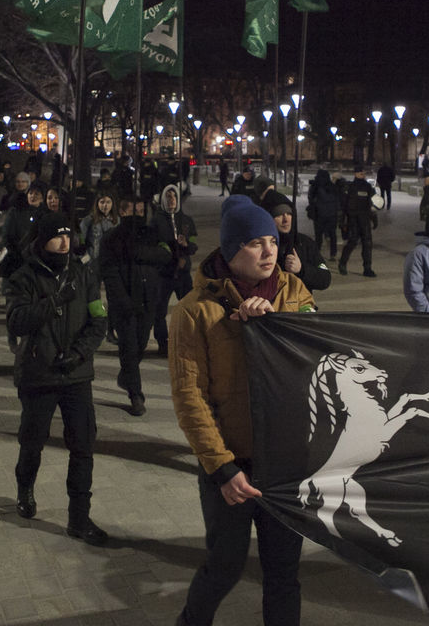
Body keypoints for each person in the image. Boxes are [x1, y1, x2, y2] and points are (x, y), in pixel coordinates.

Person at [169, 194, 316, 626]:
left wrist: (275, 326)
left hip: (285, 465)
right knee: (224, 568)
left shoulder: (293, 292)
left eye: (272, 239)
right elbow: (189, 396)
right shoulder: (194, 312)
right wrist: (221, 468)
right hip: (233, 467)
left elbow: (319, 354)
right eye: (255, 243)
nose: (270, 250)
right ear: (232, 252)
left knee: (284, 575)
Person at [4, 212, 109, 545]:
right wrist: (54, 302)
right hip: (39, 374)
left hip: (75, 374)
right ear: (42, 240)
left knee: (83, 446)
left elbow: (98, 321)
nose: (66, 242)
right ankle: (25, 486)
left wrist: (79, 353)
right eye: (58, 237)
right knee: (32, 441)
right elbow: (17, 321)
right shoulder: (23, 277)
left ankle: (79, 518)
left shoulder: (84, 274)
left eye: (69, 236)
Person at [101, 195, 170, 414]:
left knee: (140, 345)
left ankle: (126, 376)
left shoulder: (150, 234)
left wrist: (140, 254)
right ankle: (135, 394)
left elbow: (165, 254)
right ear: (122, 212)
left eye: (141, 212)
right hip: (126, 304)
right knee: (129, 349)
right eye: (133, 211)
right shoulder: (111, 238)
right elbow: (109, 272)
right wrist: (122, 301)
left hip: (149, 300)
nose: (138, 216)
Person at [151, 183, 198, 357]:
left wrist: (186, 246)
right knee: (159, 310)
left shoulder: (186, 220)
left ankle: (189, 341)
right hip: (164, 273)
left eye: (174, 196)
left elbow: (193, 246)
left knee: (190, 309)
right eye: (168, 197)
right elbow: (153, 243)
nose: (171, 200)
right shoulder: (156, 220)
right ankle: (163, 343)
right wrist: (166, 251)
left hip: (183, 274)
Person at [263, 190, 330, 293]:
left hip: (302, 305)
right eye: (279, 214)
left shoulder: (305, 242)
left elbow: (325, 278)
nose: (286, 219)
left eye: (289, 214)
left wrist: (302, 269)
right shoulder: (263, 247)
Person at [338, 165, 377, 277]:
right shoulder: (349, 187)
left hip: (365, 219)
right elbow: (343, 206)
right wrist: (342, 221)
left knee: (367, 244)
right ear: (355, 174)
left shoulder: (368, 187)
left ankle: (367, 268)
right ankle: (342, 263)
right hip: (353, 220)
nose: (362, 175)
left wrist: (374, 219)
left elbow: (373, 205)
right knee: (352, 242)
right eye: (360, 173)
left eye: (364, 173)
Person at [307, 169, 340, 258]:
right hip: (332, 215)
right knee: (333, 235)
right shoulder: (332, 187)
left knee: (318, 235)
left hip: (319, 215)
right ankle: (333, 254)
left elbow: (311, 199)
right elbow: (337, 200)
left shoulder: (315, 187)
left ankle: (318, 253)